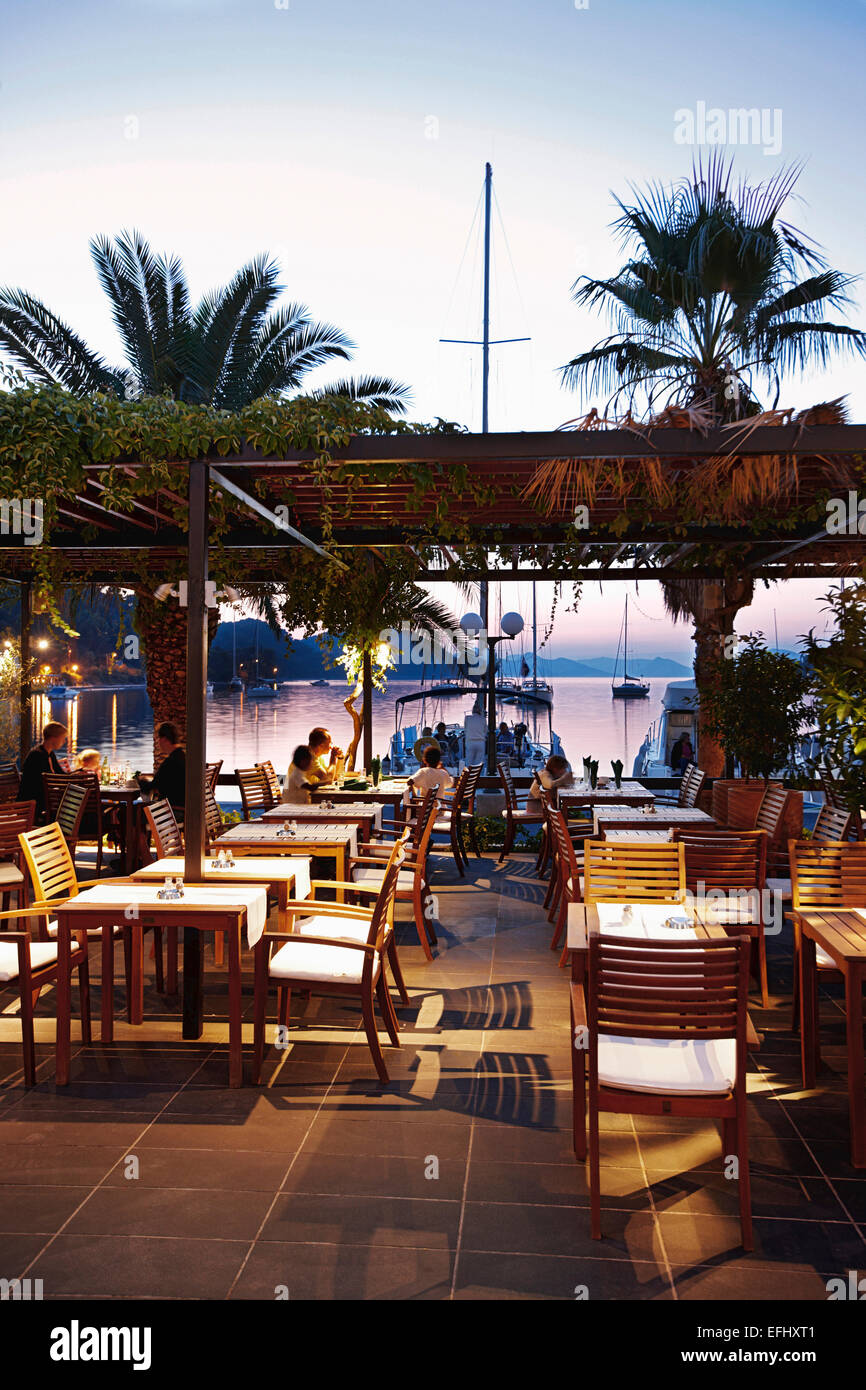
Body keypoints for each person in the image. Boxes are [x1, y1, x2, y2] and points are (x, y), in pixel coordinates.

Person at [19, 722, 68, 822]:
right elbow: (42, 782)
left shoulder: (50, 754)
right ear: (53, 738)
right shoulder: (37, 756)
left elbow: (61, 775)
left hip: (47, 798)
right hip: (36, 801)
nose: (64, 742)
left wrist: (78, 774)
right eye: (62, 738)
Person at [138, 723, 186, 818]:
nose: (158, 742)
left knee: (127, 813)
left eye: (158, 739)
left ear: (164, 739)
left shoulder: (170, 762)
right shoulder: (182, 757)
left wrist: (139, 780)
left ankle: (141, 833)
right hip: (182, 808)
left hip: (170, 811)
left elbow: (151, 787)